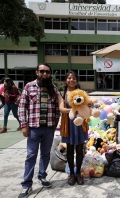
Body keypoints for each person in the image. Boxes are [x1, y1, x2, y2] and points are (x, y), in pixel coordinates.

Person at [18, 63, 60, 198]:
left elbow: (57, 108)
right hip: (33, 128)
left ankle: (42, 176)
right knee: (31, 156)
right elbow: (22, 107)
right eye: (42, 71)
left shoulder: (53, 88)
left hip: (48, 128)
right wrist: (24, 125)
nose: (45, 74)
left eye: (47, 72)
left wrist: (55, 124)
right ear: (37, 72)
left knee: (46, 154)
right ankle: (26, 184)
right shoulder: (29, 87)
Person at [58, 71, 87, 186]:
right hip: (68, 124)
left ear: (76, 80)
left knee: (79, 149)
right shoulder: (62, 93)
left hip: (80, 124)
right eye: (69, 78)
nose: (71, 80)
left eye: (74, 78)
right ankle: (71, 174)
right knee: (70, 150)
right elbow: (61, 109)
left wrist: (89, 106)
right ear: (66, 80)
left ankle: (78, 173)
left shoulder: (81, 92)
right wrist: (73, 110)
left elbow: (87, 104)